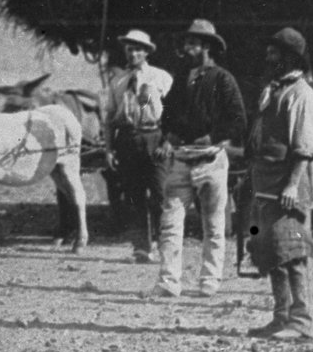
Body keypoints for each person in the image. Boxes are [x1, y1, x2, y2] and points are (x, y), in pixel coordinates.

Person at [153, 20, 247, 298]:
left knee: (214, 225)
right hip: (181, 160)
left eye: (193, 44)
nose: (187, 48)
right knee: (170, 222)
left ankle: (209, 280)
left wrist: (214, 137)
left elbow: (238, 120)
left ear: (206, 47)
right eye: (186, 43)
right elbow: (167, 115)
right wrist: (168, 137)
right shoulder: (181, 77)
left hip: (211, 161)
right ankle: (169, 281)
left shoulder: (223, 79)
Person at [245, 28, 313, 341]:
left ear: (290, 57)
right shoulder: (274, 91)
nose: (269, 57)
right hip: (265, 185)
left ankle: (302, 321)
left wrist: (292, 185)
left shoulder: (303, 96)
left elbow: (304, 147)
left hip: (287, 187)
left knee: (292, 253)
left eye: (275, 53)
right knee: (272, 253)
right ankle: (281, 317)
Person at [104, 29, 171, 264]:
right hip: (128, 139)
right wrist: (109, 149)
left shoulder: (161, 77)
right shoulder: (118, 81)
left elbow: (174, 112)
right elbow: (110, 117)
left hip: (155, 137)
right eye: (130, 49)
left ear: (146, 52)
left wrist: (167, 141)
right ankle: (141, 247)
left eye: (138, 49)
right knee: (134, 196)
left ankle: (166, 245)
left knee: (161, 193)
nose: (133, 53)